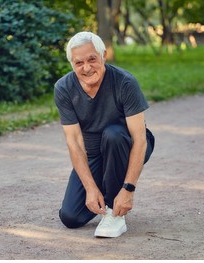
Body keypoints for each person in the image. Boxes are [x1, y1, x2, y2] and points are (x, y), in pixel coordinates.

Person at [54, 31, 154, 238]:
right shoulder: (64, 88)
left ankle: (114, 214)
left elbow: (140, 138)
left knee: (113, 135)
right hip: (93, 153)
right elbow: (75, 143)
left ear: (103, 56)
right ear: (71, 64)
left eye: (92, 59)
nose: (87, 67)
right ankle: (105, 193)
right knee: (71, 218)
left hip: (125, 144)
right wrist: (90, 188)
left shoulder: (125, 82)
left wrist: (128, 189)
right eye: (79, 62)